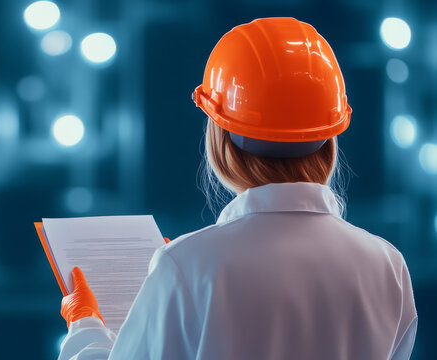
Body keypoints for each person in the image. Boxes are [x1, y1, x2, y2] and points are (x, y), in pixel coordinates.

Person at [57, 17, 417, 360]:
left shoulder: (187, 266)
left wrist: (85, 325)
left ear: (222, 138)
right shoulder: (388, 266)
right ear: (330, 135)